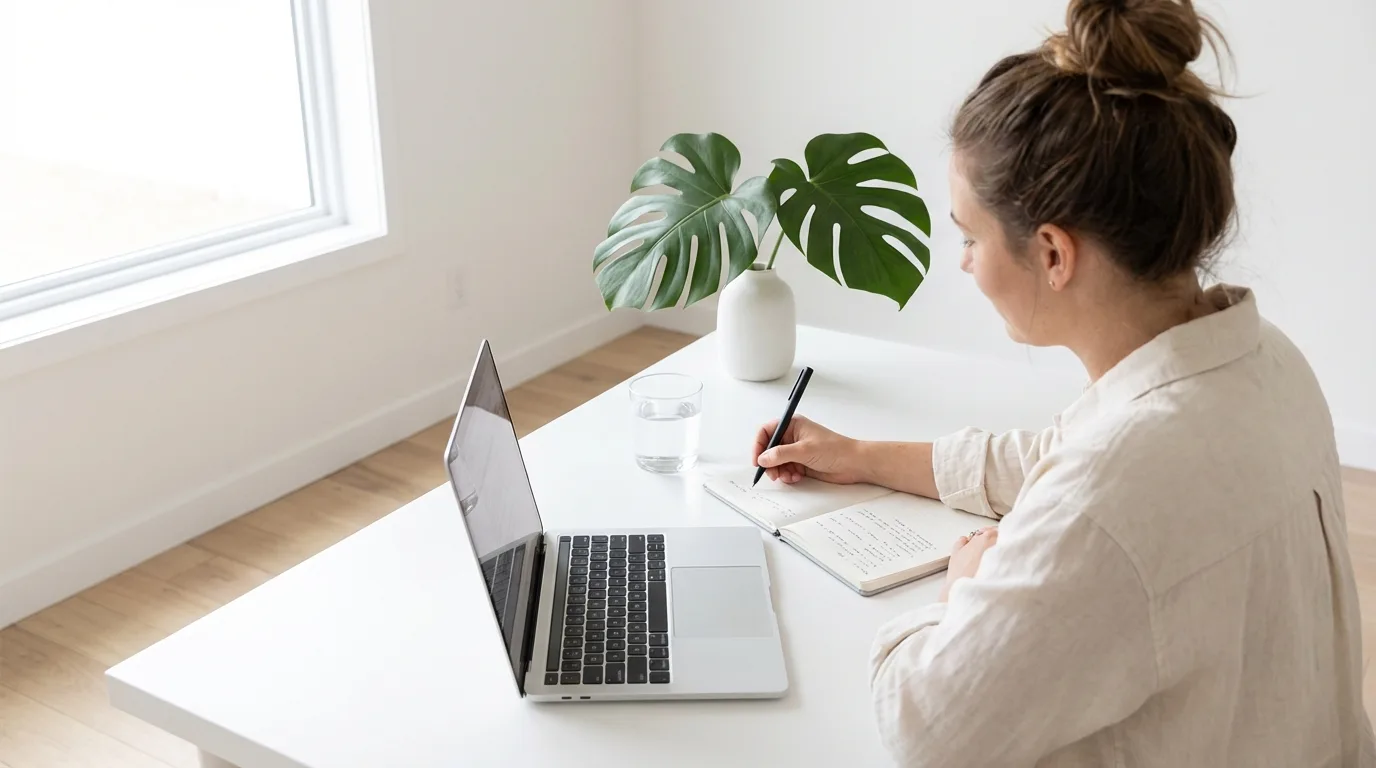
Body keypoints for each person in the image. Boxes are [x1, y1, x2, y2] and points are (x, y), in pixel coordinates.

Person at [750, 0, 1375, 765]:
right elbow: (1061, 457)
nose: (966, 264)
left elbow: (923, 730)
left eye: (970, 236)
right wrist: (861, 456)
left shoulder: (1117, 488)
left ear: (1052, 254)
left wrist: (965, 585)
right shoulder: (1263, 362)